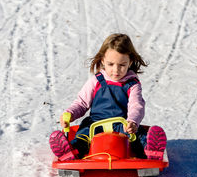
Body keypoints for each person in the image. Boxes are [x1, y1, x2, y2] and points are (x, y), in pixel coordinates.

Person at [49, 33, 166, 161]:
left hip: (123, 124)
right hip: (95, 124)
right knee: (83, 136)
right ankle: (70, 151)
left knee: (137, 136)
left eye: (122, 65)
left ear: (130, 62)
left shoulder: (132, 84)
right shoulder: (96, 81)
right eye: (111, 64)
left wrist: (132, 121)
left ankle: (151, 149)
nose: (116, 70)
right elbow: (82, 102)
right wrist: (70, 114)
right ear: (103, 60)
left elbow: (136, 105)